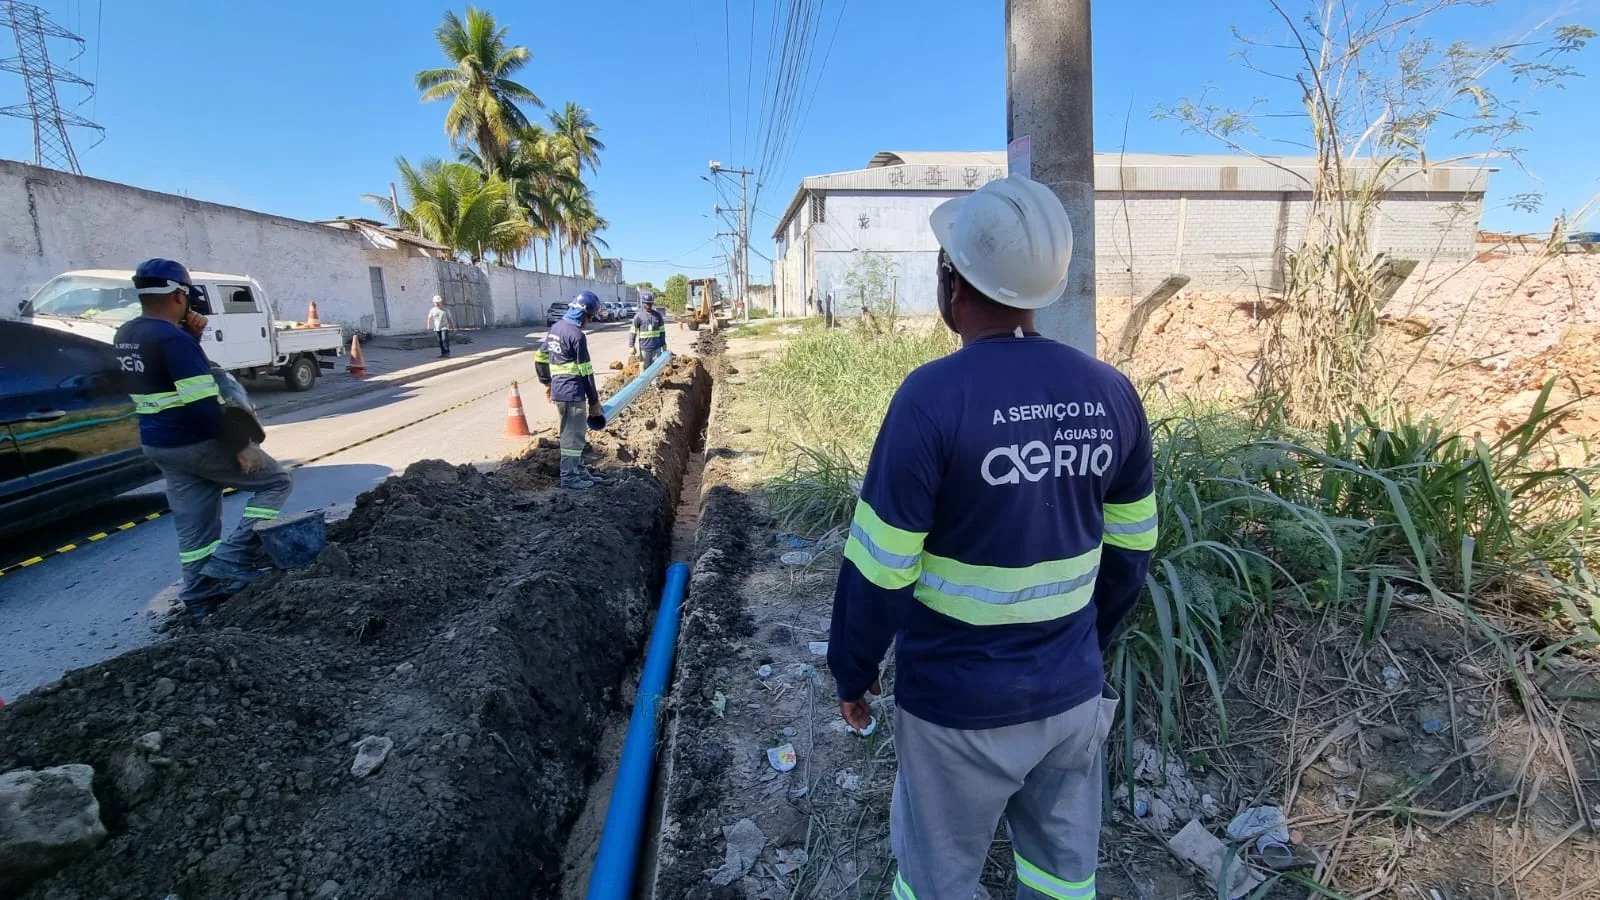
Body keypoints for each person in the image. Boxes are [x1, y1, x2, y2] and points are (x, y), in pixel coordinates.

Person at [826, 177, 1157, 900]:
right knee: (1061, 881)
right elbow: (1132, 555)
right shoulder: (1113, 393)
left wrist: (852, 673)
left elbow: (880, 569)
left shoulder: (931, 398)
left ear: (953, 281)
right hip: (1071, 699)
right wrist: (1078, 643)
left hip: (956, 709)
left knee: (936, 883)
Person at [114, 259, 294, 619]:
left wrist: (191, 338)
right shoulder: (171, 338)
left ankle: (198, 599)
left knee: (196, 530)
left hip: (159, 443)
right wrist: (240, 445)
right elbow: (199, 400)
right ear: (180, 295)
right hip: (195, 439)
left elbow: (163, 380)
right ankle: (232, 559)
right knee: (276, 481)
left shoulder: (128, 333)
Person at [532, 291, 606, 490]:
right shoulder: (576, 335)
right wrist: (594, 401)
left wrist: (546, 382)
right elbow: (586, 372)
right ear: (583, 313)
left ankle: (578, 470)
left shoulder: (555, 329)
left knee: (575, 433)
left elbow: (540, 357)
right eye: (590, 317)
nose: (589, 321)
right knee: (572, 436)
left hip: (560, 391)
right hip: (572, 392)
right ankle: (570, 477)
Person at [628, 291, 667, 369]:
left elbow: (662, 331)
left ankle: (656, 381)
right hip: (644, 348)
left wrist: (663, 343)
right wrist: (631, 345)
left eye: (650, 304)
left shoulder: (657, 316)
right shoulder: (638, 316)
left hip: (657, 347)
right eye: (647, 303)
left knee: (656, 369)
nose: (649, 306)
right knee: (644, 370)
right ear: (643, 303)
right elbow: (633, 332)